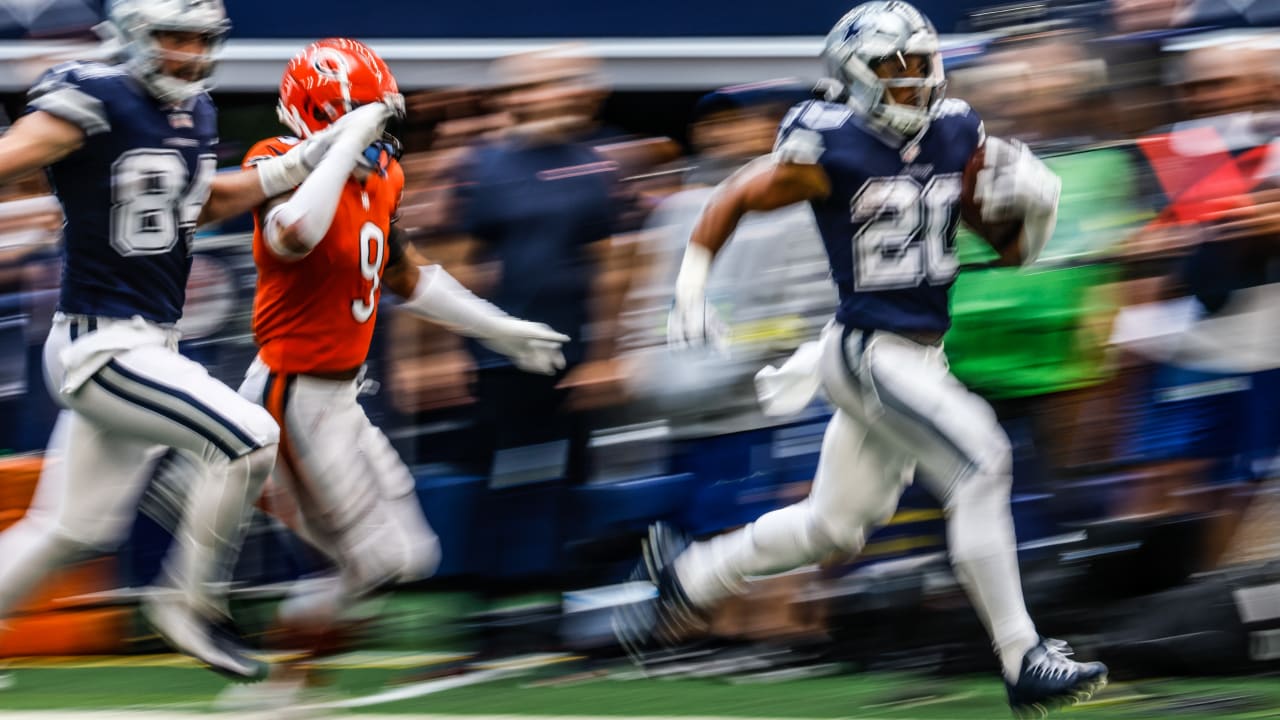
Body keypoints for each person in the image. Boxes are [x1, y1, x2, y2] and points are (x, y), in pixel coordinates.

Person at [613, 2, 1108, 715]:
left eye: (920, 63)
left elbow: (1008, 252)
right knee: (982, 463)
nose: (911, 80)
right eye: (892, 67)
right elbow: (736, 194)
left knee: (834, 526)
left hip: (919, 356)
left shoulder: (956, 130)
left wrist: (1037, 209)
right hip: (868, 350)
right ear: (855, 75)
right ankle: (1022, 655)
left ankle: (691, 574)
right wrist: (691, 285)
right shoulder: (830, 145)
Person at [0, 0, 364, 681]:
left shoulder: (194, 112)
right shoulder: (92, 94)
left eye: (200, 40)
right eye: (172, 37)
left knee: (69, 530)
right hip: (101, 347)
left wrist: (308, 158)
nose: (188, 54)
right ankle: (187, 603)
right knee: (249, 438)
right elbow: (13, 156)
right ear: (132, 36)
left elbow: (204, 202)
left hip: (144, 345)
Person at [218, 38, 569, 695]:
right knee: (371, 560)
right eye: (366, 115)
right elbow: (295, 233)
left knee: (410, 557)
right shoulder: (273, 160)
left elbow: (403, 273)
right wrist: (346, 140)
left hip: (339, 398)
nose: (380, 129)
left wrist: (499, 328)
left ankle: (288, 684)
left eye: (380, 116)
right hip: (288, 393)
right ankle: (275, 692)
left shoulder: (383, 174)